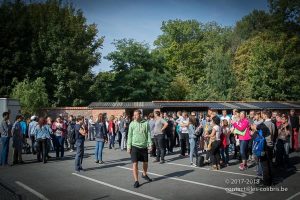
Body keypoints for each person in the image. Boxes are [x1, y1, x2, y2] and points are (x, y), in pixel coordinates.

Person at [127, 110, 153, 188]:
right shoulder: (132, 123)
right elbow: (129, 135)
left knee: (145, 163)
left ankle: (144, 174)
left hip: (144, 146)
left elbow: (148, 134)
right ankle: (136, 181)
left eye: (136, 115)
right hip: (134, 146)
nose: (134, 116)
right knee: (135, 163)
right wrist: (129, 146)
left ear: (140, 115)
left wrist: (150, 144)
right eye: (134, 115)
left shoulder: (145, 123)